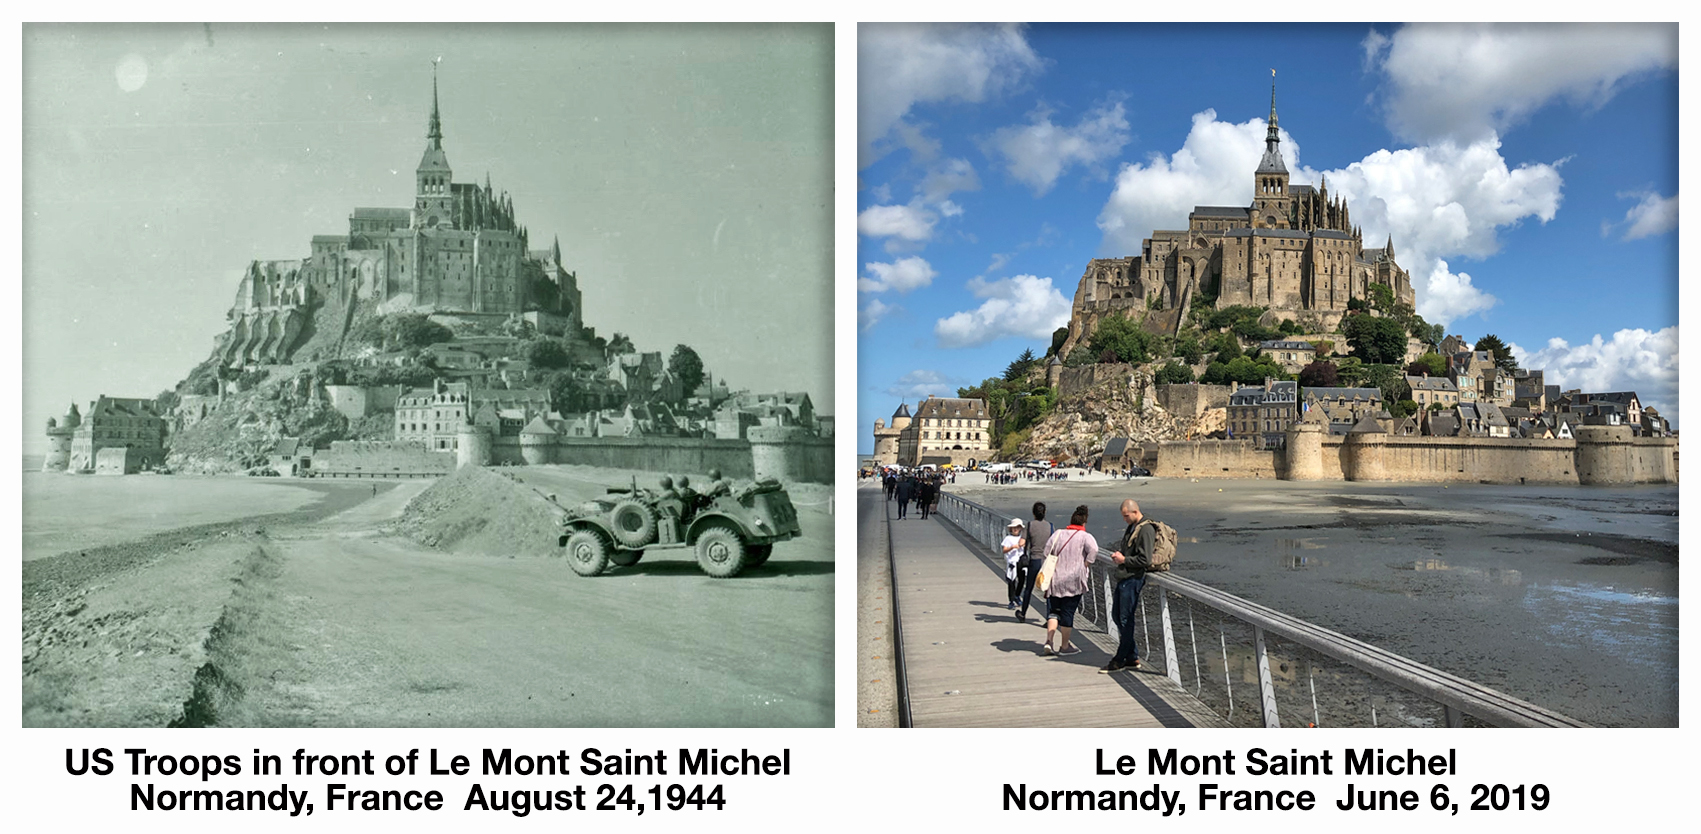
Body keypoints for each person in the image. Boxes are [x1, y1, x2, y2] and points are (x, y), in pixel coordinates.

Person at [1102, 499, 1154, 674]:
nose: (1124, 519)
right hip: (1124, 577)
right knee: (1117, 616)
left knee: (1125, 619)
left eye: (1126, 516)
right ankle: (1132, 656)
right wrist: (1120, 556)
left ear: (1135, 512)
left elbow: (1145, 559)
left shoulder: (1146, 529)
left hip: (1133, 579)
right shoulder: (1132, 527)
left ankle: (1120, 659)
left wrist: (1124, 559)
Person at [1041, 505, 1098, 657]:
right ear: (1084, 522)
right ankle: (1064, 646)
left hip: (1055, 579)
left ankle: (1049, 641)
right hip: (1073, 581)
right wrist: (1086, 564)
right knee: (1068, 613)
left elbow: (1046, 552)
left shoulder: (1058, 534)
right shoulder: (1085, 537)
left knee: (1054, 611)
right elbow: (1094, 550)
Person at [1015, 502, 1052, 623]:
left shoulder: (1029, 525)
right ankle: (1049, 618)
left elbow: (1021, 543)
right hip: (1046, 562)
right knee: (1047, 590)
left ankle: (1023, 613)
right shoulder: (1050, 526)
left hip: (1034, 560)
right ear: (1045, 512)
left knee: (1028, 589)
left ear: (1033, 513)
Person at [1001, 518, 1026, 612]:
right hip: (1012, 562)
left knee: (1022, 580)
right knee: (1011, 582)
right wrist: (1012, 547)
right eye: (1014, 527)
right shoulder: (1008, 538)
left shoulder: (1022, 538)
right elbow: (1004, 550)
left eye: (1017, 527)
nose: (1015, 529)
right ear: (1011, 529)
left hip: (1021, 561)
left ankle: (1017, 595)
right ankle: (1011, 601)